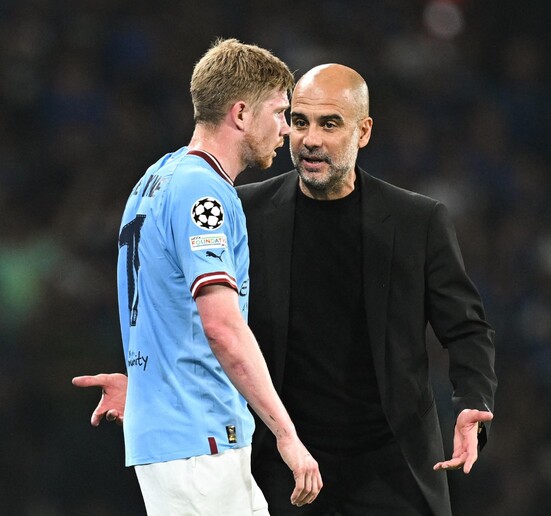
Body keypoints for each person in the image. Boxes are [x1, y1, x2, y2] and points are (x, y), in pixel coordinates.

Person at [75, 63, 496, 516]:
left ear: (363, 131)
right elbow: (193, 313)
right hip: (286, 467)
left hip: (391, 470)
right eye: (298, 121)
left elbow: (467, 327)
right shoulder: (243, 208)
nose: (309, 138)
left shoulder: (418, 222)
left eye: (329, 124)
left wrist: (473, 401)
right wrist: (149, 387)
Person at [72, 39, 322, 516]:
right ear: (242, 113)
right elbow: (222, 327)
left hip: (189, 432)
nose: (287, 129)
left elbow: (157, 300)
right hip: (197, 439)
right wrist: (287, 435)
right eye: (280, 112)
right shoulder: (201, 192)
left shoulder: (157, 177)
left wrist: (146, 389)